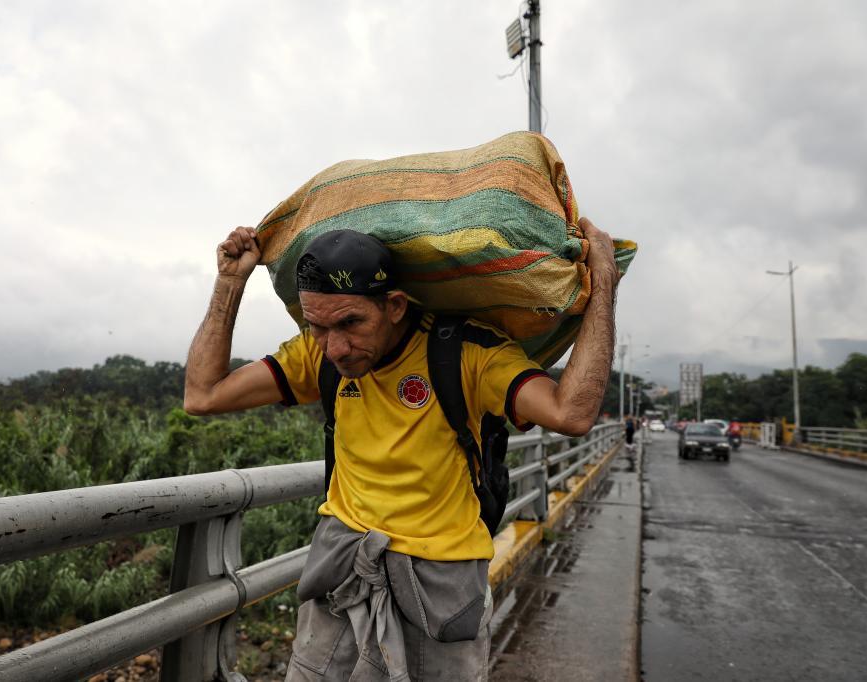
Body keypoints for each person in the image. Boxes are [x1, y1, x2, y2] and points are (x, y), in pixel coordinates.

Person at [184, 219, 620, 681]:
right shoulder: (317, 357)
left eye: (351, 322)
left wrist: (604, 284)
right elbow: (203, 395)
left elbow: (570, 414)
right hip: (343, 573)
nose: (336, 348)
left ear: (394, 305)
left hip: (440, 588)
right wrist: (230, 282)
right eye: (318, 327)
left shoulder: (466, 353)